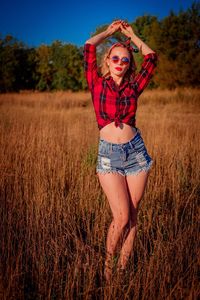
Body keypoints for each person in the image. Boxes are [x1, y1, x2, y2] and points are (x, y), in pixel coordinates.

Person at [84, 20, 158, 281]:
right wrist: (110, 32)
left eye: (125, 60)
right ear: (108, 61)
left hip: (136, 153)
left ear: (129, 65)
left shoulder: (134, 86)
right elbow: (89, 46)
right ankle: (107, 268)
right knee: (122, 215)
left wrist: (132, 36)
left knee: (134, 214)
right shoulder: (96, 83)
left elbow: (151, 57)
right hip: (109, 156)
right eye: (115, 58)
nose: (119, 62)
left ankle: (123, 271)